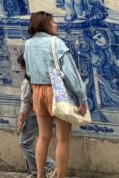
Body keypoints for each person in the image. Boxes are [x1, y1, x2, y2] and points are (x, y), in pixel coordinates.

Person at [23, 11, 88, 178]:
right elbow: (71, 74)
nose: (56, 25)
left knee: (43, 136)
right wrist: (82, 98)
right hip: (57, 91)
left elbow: (28, 71)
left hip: (37, 90)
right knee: (62, 139)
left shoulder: (28, 44)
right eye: (53, 22)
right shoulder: (56, 43)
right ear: (45, 24)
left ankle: (40, 175)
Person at [17, 54, 56, 178]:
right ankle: (34, 172)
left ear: (24, 67)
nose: (20, 68)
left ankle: (50, 165)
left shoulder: (27, 82)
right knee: (31, 143)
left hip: (32, 116)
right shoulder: (39, 78)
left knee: (24, 143)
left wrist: (21, 119)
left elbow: (26, 103)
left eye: (21, 65)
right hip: (41, 114)